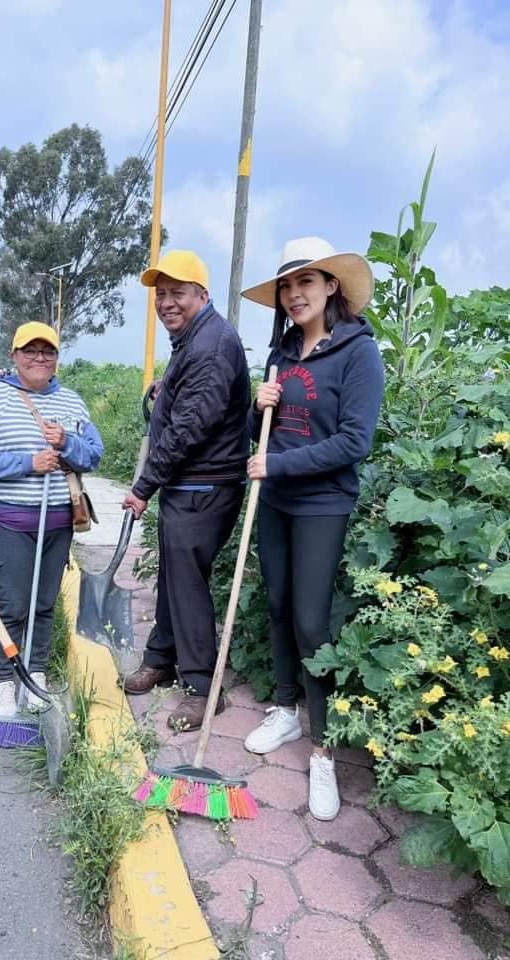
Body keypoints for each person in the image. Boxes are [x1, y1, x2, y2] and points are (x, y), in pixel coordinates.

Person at [240, 237, 384, 821]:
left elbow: (355, 442)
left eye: (307, 282)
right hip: (275, 499)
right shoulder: (281, 354)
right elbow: (263, 436)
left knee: (309, 620)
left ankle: (323, 749)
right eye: (286, 286)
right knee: (276, 605)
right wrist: (258, 406)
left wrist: (278, 463)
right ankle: (285, 712)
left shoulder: (358, 353)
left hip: (322, 501)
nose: (295, 294)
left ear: (332, 288)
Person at [121, 250, 251, 731]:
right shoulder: (194, 340)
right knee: (176, 576)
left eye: (178, 293)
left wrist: (142, 487)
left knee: (189, 583)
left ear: (203, 294)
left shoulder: (212, 343)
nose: (167, 302)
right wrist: (166, 387)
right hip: (188, 484)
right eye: (162, 294)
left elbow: (188, 428)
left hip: (204, 485)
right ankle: (161, 657)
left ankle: (201, 688)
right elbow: (190, 399)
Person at [0, 321, 103, 717]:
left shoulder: (73, 402)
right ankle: (5, 681)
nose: (39, 357)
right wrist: (30, 463)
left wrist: (66, 444)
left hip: (57, 520)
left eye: (48, 351)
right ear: (15, 355)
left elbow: (93, 454)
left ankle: (36, 672)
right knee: (12, 603)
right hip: (9, 520)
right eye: (31, 350)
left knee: (44, 602)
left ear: (57, 358)